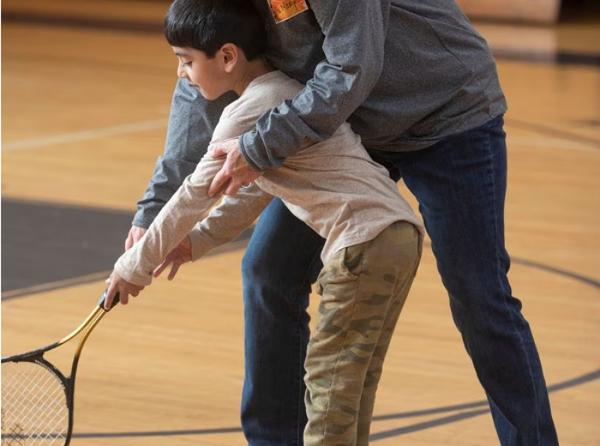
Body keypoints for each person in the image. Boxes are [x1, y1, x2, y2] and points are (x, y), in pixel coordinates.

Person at [126, 1, 559, 445]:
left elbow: (353, 67)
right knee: (269, 272)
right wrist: (152, 209)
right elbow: (198, 85)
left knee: (479, 295)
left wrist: (261, 145)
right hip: (342, 129)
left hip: (447, 116)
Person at [105, 1, 424, 444]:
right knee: (350, 388)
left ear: (228, 57)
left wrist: (132, 267)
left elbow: (192, 197)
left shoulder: (244, 115)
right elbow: (252, 195)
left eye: (186, 62)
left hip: (361, 244)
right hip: (398, 237)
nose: (182, 75)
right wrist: (193, 244)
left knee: (329, 391)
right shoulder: (287, 95)